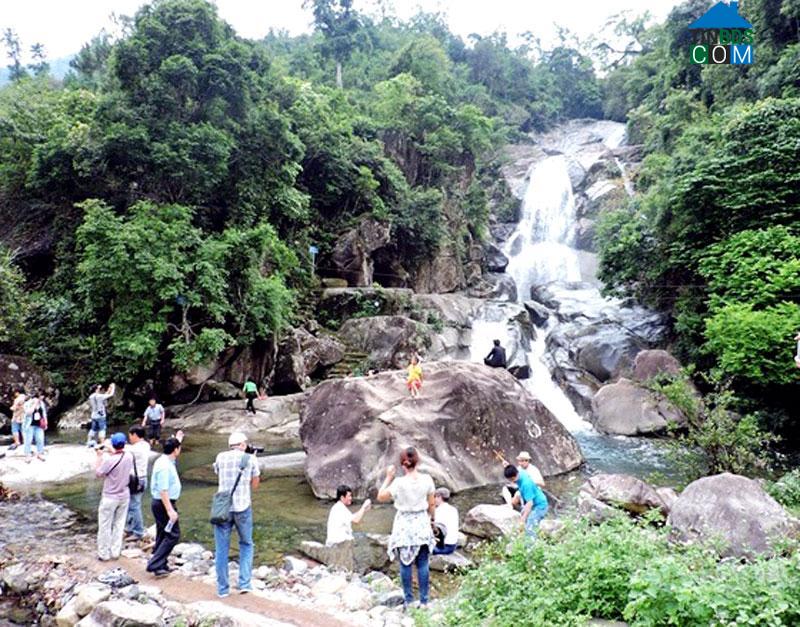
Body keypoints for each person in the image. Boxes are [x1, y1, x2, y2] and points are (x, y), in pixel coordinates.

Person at [377, 447, 435, 610]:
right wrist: (433, 520)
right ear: (417, 462)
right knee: (423, 563)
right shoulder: (427, 480)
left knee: (405, 563)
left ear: (403, 464)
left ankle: (409, 600)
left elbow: (380, 496)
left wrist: (388, 477)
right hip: (421, 522)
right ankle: (424, 601)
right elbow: (431, 503)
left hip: (403, 524)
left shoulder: (398, 483)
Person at [212, 432, 261, 597]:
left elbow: (218, 473)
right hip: (243, 507)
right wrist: (251, 462)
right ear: (242, 444)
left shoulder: (220, 457)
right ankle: (245, 583)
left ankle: (223, 589)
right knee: (246, 544)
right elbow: (255, 485)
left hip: (223, 509)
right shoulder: (250, 459)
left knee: (221, 549)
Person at [146, 432, 184, 577]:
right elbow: (163, 490)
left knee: (163, 533)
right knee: (174, 535)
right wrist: (170, 511)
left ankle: (161, 564)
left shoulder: (166, 460)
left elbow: (173, 454)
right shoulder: (164, 466)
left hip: (162, 503)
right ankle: (154, 563)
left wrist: (178, 441)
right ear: (176, 450)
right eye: (178, 448)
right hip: (163, 503)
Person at [95, 432, 134, 561]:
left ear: (113, 444)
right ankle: (115, 551)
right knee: (119, 524)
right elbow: (118, 452)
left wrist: (99, 456)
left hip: (110, 497)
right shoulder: (128, 456)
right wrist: (110, 449)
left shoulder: (109, 460)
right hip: (124, 495)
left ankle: (104, 554)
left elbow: (99, 473)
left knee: (105, 525)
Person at [504, 464, 548, 538]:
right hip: (534, 503)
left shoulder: (526, 484)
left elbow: (529, 503)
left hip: (540, 506)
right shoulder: (520, 472)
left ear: (514, 476)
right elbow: (512, 468)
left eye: (511, 480)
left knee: (530, 526)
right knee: (523, 514)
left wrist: (523, 518)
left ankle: (531, 546)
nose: (512, 482)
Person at [125, 425, 151, 541]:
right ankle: (129, 528)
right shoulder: (146, 445)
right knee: (132, 504)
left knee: (134, 506)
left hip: (136, 480)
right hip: (142, 479)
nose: (129, 437)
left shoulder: (135, 449)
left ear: (135, 435)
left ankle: (138, 531)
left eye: (130, 435)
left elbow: (121, 449)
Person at [87, 383, 116, 448]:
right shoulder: (99, 396)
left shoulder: (91, 396)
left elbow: (104, 395)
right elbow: (110, 395)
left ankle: (88, 442)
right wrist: (113, 387)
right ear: (96, 389)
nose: (100, 389)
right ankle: (102, 443)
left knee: (93, 429)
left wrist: (108, 390)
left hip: (94, 415)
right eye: (99, 388)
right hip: (101, 415)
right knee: (102, 429)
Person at [432, 488, 459, 556]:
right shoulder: (453, 509)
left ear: (439, 497)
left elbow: (434, 529)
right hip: (453, 545)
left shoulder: (438, 511)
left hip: (443, 547)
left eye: (435, 497)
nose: (434, 499)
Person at [22, 394, 46, 462]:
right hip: (29, 425)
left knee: (40, 439)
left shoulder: (42, 404)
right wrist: (34, 405)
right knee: (28, 440)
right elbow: (28, 413)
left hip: (39, 424)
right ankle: (27, 455)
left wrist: (45, 422)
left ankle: (40, 453)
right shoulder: (27, 404)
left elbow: (44, 414)